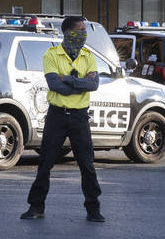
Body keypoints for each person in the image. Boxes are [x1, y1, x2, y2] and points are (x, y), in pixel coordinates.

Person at [21, 16, 104, 222]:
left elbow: (94, 85)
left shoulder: (88, 56)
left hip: (79, 117)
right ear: (68, 33)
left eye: (86, 30)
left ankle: (93, 209)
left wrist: (68, 79)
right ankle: (36, 207)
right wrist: (80, 82)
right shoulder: (52, 55)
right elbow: (54, 86)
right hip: (57, 115)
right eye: (80, 30)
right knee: (46, 162)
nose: (84, 34)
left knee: (87, 164)